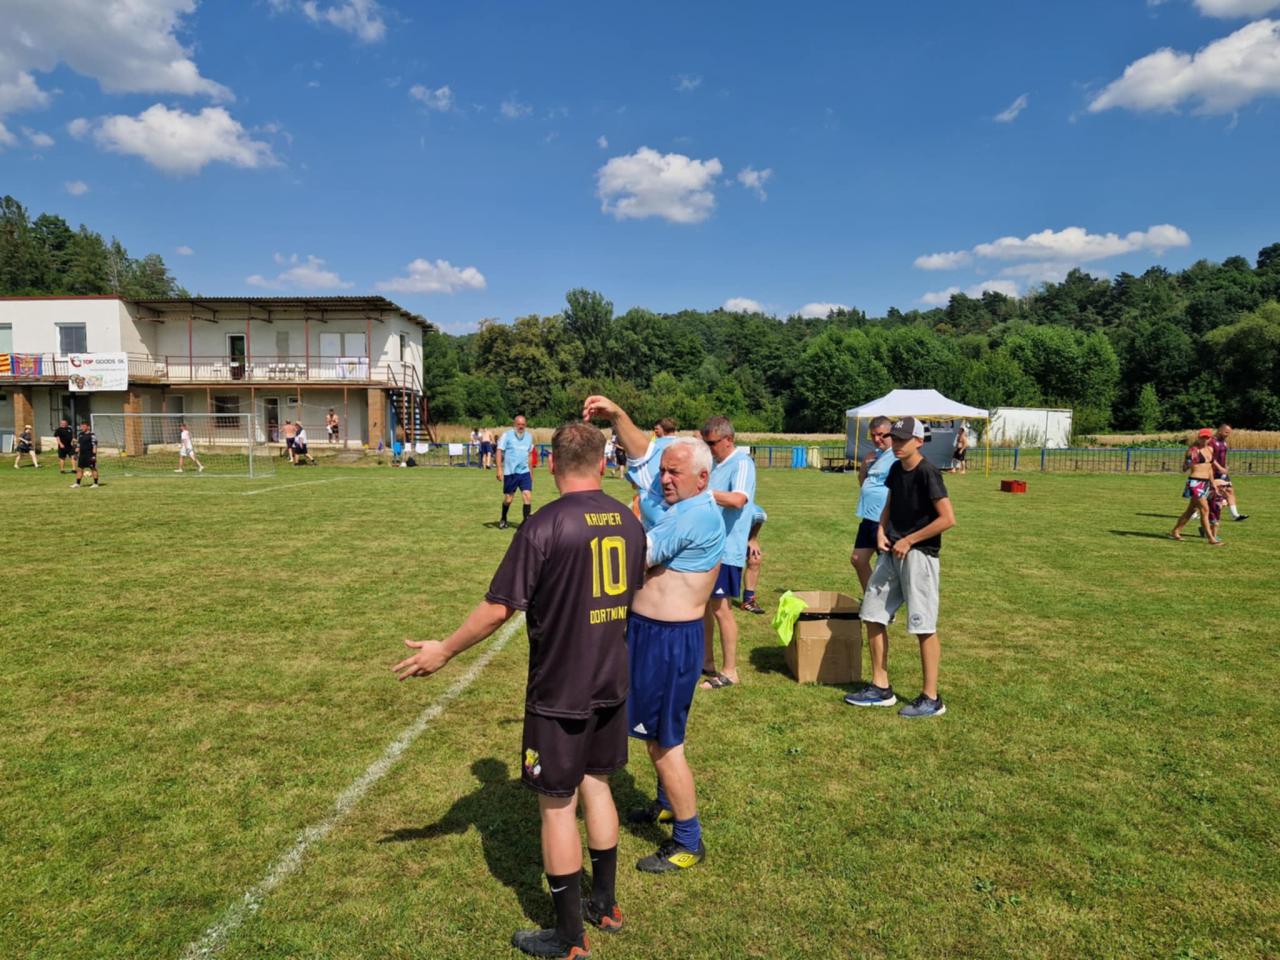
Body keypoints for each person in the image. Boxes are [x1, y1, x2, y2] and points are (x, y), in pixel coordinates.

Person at [393, 422, 646, 959]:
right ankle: (606, 905)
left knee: (557, 805)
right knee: (598, 785)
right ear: (604, 463)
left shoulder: (545, 525)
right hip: (611, 680)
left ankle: (569, 937)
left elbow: (497, 609)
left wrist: (445, 650)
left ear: (549, 464)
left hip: (561, 689)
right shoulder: (628, 521)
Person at [582, 394, 725, 873]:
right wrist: (619, 417)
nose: (664, 479)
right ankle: (665, 803)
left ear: (701, 478)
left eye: (673, 473)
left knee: (666, 743)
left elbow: (636, 556)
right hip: (651, 633)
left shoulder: (695, 514)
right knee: (652, 733)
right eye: (663, 471)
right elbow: (643, 460)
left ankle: (688, 840)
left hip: (668, 641)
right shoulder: (680, 504)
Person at [845, 417, 956, 718]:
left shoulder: (928, 472)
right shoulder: (895, 468)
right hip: (892, 551)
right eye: (894, 438)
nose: (896, 444)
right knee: (872, 613)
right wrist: (882, 530)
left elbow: (948, 518)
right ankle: (880, 688)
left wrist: (910, 540)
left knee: (923, 625)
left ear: (919, 441)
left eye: (902, 439)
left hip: (920, 556)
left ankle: (931, 698)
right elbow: (890, 504)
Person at [699, 416, 756, 690]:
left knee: (722, 610)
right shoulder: (714, 464)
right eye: (706, 443)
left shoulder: (742, 463)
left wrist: (703, 494)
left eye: (712, 443)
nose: (708, 448)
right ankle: (706, 662)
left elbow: (738, 499)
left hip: (727, 549)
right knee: (705, 607)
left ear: (728, 440)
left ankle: (730, 671)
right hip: (708, 548)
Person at [851, 417, 895, 594]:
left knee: (887, 567)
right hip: (869, 516)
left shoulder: (897, 455)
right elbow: (864, 482)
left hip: (884, 519)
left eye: (881, 435)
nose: (877, 439)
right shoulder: (875, 455)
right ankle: (871, 600)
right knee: (858, 559)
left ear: (891, 433)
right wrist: (863, 466)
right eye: (873, 435)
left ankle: (885, 604)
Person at [1170, 429, 1224, 545]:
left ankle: (1175, 531)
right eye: (1202, 437)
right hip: (1195, 482)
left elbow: (1209, 468)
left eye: (1207, 438)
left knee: (1191, 510)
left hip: (1206, 483)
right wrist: (1189, 461)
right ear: (1198, 438)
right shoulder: (1193, 450)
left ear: (1210, 439)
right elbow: (1184, 468)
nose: (1204, 440)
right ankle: (1211, 538)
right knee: (1205, 509)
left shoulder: (1210, 449)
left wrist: (1213, 484)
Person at [496, 415, 535, 529]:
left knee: (527, 495)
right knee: (508, 499)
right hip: (511, 473)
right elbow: (499, 451)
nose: (521, 426)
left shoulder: (529, 437)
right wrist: (499, 469)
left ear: (525, 425)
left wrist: (531, 472)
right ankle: (503, 518)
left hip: (524, 472)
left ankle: (526, 524)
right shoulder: (507, 435)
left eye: (523, 424)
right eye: (518, 424)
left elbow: (529, 455)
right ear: (514, 424)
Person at [1210, 422, 1247, 522]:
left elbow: (1222, 456)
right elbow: (1210, 457)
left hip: (1221, 473)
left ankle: (1235, 515)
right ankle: (1194, 512)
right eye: (1226, 432)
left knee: (1230, 490)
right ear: (1220, 430)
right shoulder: (1211, 441)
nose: (1228, 435)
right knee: (1208, 494)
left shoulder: (1224, 442)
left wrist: (1224, 466)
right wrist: (1219, 467)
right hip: (1212, 472)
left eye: (1229, 433)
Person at [741, 504, 767, 615]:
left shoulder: (755, 512)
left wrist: (753, 539)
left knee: (755, 558)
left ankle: (748, 600)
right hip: (721, 537)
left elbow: (760, 518)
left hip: (740, 537)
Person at [70, 421, 98, 489]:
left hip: (90, 455)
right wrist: (76, 454)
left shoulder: (92, 435)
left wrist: (94, 456)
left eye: (84, 426)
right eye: (81, 426)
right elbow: (78, 445)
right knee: (79, 469)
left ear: (88, 427)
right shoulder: (80, 434)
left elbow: (94, 446)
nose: (82, 428)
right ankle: (77, 484)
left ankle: (95, 483)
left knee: (93, 468)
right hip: (82, 455)